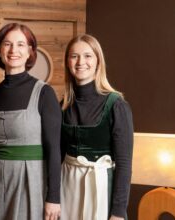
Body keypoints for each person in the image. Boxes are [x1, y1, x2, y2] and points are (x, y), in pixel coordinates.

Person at [0, 23, 62, 220]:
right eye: (7, 44)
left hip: (31, 181)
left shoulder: (44, 93)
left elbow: (54, 149)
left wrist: (54, 198)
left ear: (30, 51)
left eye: (21, 44)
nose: (14, 50)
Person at [60, 34, 133, 220]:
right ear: (68, 62)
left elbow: (124, 164)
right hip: (67, 185)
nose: (80, 62)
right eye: (74, 56)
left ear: (98, 61)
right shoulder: (64, 105)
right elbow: (57, 155)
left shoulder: (117, 105)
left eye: (87, 56)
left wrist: (118, 212)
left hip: (100, 187)